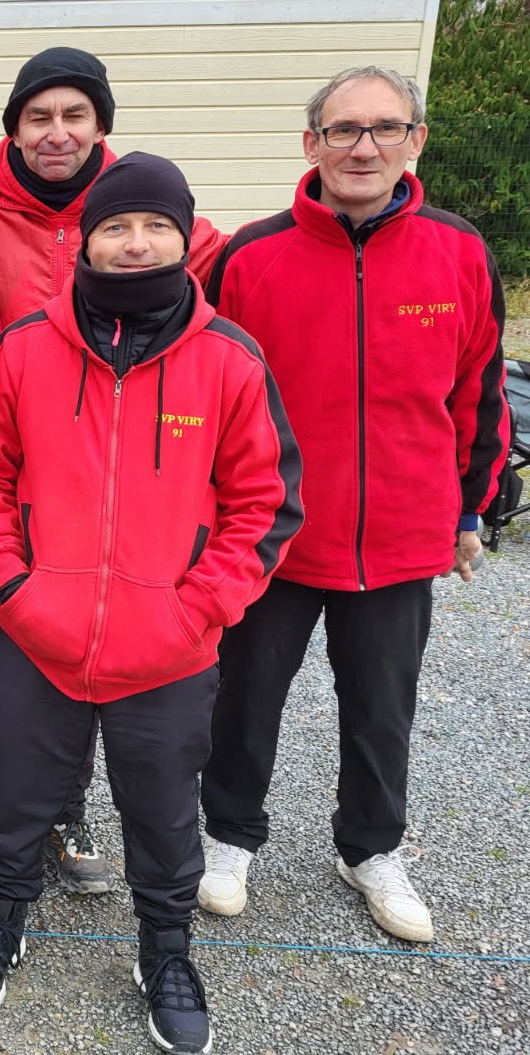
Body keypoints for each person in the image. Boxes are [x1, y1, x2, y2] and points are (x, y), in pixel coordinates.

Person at [0, 153, 303, 1053]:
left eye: (155, 226)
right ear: (88, 239)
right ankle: (2, 914)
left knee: (163, 808)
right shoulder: (26, 346)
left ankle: (166, 946)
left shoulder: (229, 358)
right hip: (37, 635)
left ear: (184, 238)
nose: (136, 242)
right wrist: (14, 586)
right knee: (18, 796)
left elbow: (265, 506)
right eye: (116, 226)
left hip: (171, 648)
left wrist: (197, 609)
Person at [199, 67, 507, 944]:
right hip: (276, 537)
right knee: (246, 698)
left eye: (383, 128)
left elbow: (479, 394)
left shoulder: (458, 252)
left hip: (404, 536)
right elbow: (215, 396)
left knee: (382, 706)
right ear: (312, 144)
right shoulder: (251, 259)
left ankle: (370, 847)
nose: (362, 146)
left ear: (415, 140)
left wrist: (470, 510)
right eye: (342, 130)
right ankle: (227, 835)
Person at [0, 46, 230, 893]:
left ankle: (65, 810)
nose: (57, 132)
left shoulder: (167, 225)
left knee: (95, 660)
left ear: (101, 124)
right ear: (14, 129)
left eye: (75, 115)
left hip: (114, 484)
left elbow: (223, 353)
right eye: (39, 116)